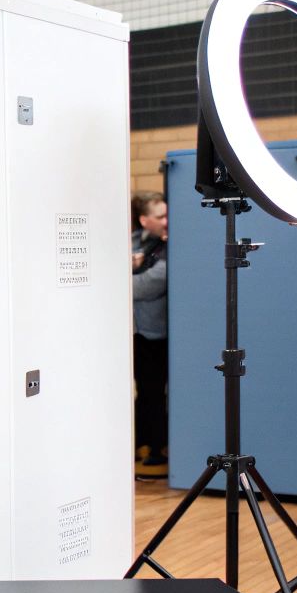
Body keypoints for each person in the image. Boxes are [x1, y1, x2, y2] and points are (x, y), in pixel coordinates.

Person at [132, 192, 170, 480]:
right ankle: (140, 445)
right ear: (145, 220)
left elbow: (150, 284)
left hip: (158, 334)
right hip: (135, 332)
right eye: (159, 216)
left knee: (156, 393)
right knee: (142, 393)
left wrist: (122, 276)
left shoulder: (171, 246)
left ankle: (159, 449)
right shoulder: (135, 241)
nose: (166, 221)